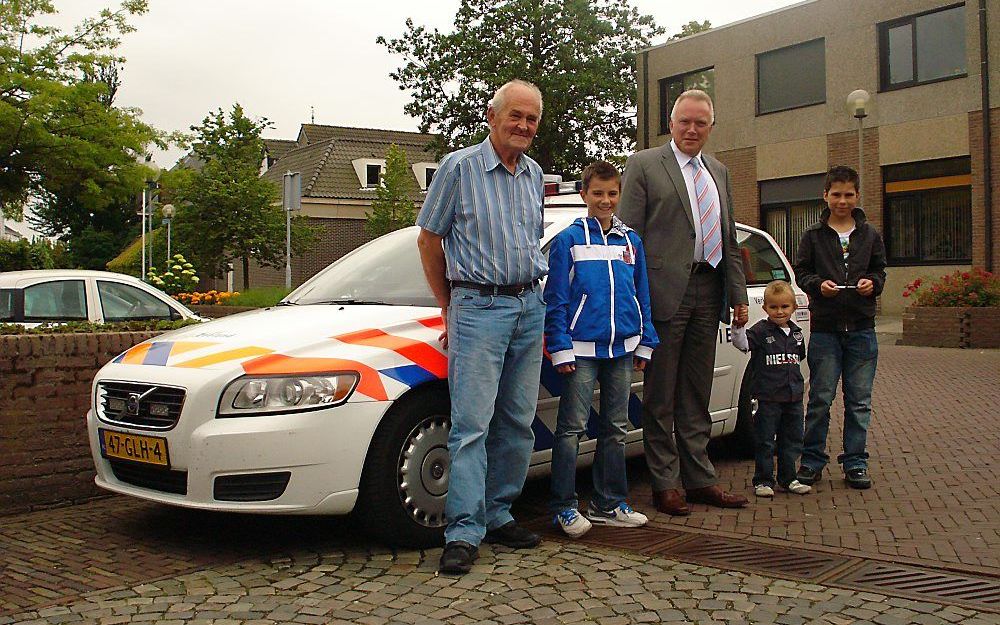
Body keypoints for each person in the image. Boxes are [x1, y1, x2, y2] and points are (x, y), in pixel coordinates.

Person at [416, 80, 548, 575]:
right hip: (479, 309)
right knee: (472, 427)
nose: (523, 126)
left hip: (527, 307)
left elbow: (528, 240)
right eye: (515, 115)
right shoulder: (459, 168)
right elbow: (429, 240)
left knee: (517, 421)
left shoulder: (533, 174)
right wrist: (448, 306)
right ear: (491, 116)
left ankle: (499, 513)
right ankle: (464, 531)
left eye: (532, 118)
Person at [618, 89, 750, 516]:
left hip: (709, 291)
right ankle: (665, 482)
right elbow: (627, 238)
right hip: (662, 294)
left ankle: (700, 478)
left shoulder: (719, 172)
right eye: (684, 121)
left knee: (697, 391)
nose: (692, 129)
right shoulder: (643, 165)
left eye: (701, 123)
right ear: (671, 123)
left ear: (711, 127)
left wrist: (737, 297)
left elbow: (728, 238)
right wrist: (634, 300)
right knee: (661, 394)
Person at [544, 160, 659, 537]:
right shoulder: (568, 241)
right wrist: (560, 347)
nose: (606, 200)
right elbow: (556, 298)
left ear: (620, 195)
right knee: (572, 429)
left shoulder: (631, 241)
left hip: (622, 349)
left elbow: (641, 294)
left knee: (615, 428)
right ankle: (563, 505)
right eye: (598, 193)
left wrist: (645, 342)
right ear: (584, 195)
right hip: (580, 351)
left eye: (612, 193)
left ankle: (609, 502)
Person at [793, 165, 886, 490]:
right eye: (836, 194)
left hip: (861, 329)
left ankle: (855, 463)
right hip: (826, 331)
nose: (842, 201)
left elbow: (880, 271)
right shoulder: (813, 236)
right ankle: (812, 461)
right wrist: (818, 286)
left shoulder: (870, 234)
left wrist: (872, 284)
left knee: (859, 402)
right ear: (826, 196)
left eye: (848, 195)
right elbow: (801, 272)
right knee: (820, 399)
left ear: (857, 196)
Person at [731, 280, 812, 498]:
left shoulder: (796, 334)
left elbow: (798, 359)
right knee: (765, 440)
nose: (779, 311)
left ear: (793, 307)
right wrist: (738, 327)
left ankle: (789, 478)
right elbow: (742, 345)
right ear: (766, 308)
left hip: (793, 398)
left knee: (792, 439)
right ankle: (763, 480)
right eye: (774, 307)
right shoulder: (759, 331)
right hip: (768, 399)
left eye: (785, 307)